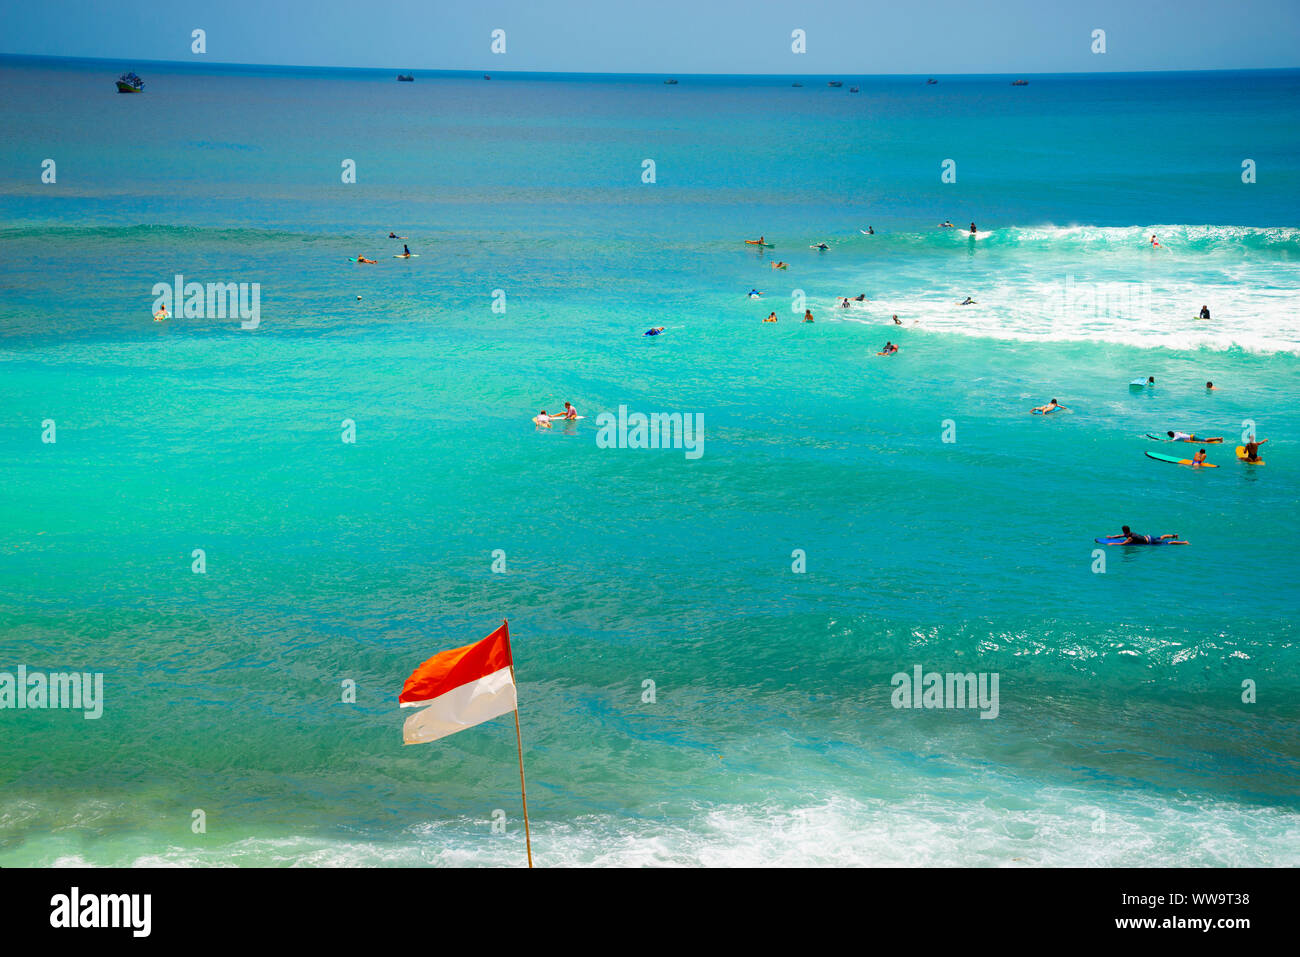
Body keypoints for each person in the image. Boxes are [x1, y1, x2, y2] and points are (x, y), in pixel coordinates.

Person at [1116, 526, 1182, 545]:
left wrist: (1112, 543)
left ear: (1125, 531)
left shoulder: (1130, 538)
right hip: (1149, 537)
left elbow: (1122, 544)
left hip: (1150, 541)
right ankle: (1174, 536)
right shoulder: (1130, 533)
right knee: (1162, 537)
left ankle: (1184, 542)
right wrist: (1111, 537)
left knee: (1168, 543)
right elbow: (1119, 536)